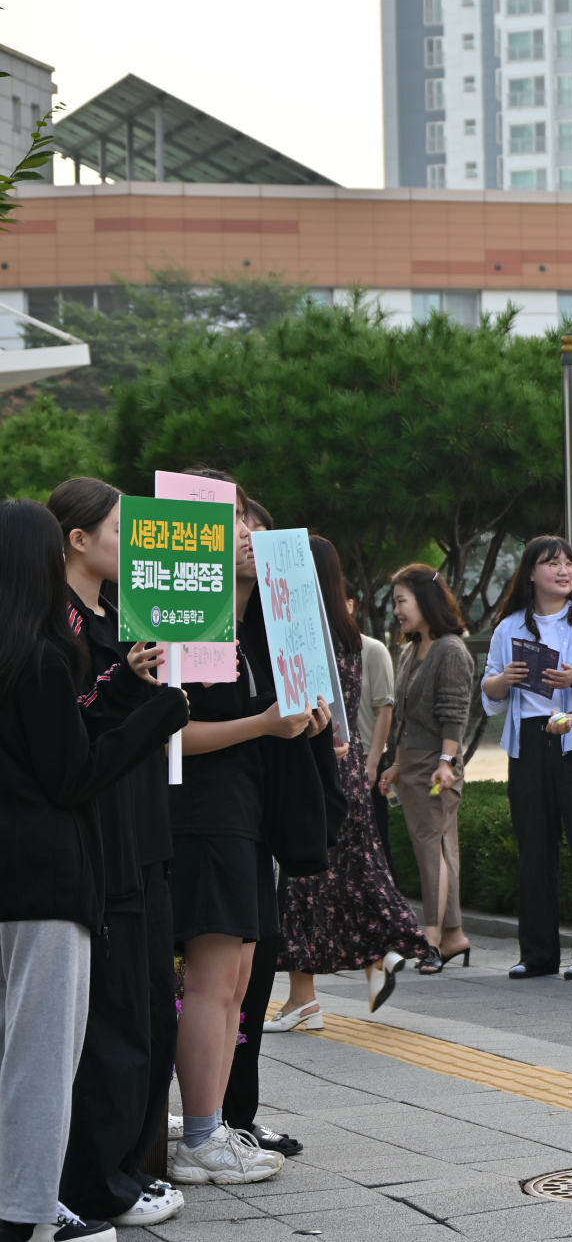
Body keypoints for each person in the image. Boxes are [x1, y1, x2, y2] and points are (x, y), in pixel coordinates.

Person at [0, 498, 187, 1242]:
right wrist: (158, 714)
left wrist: (124, 691)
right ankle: (31, 1213)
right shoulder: (41, 656)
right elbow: (74, 773)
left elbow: (62, 738)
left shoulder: (19, 653)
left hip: (11, 881)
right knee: (43, 1059)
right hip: (50, 886)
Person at [173, 488, 332, 1185]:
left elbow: (275, 715)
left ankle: (213, 1125)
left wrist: (299, 719)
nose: (247, 533)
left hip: (245, 815)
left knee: (237, 981)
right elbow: (174, 734)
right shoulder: (195, 624)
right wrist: (266, 723)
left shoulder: (257, 626)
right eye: (231, 520)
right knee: (212, 981)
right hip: (204, 816)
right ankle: (202, 1133)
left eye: (248, 521)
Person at [272, 537, 426, 1025]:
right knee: (360, 870)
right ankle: (385, 951)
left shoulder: (296, 631)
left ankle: (303, 998)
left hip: (310, 762)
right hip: (347, 763)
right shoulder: (350, 636)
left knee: (304, 881)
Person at [481, 535, 572, 981]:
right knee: (534, 849)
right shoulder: (511, 626)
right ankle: (537, 954)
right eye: (552, 563)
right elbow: (490, 692)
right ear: (532, 573)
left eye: (569, 563)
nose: (564, 570)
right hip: (530, 744)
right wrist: (507, 678)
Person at [379, 565, 475, 973]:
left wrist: (446, 763)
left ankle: (432, 938)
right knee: (437, 848)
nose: (397, 609)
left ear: (425, 601)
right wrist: (397, 764)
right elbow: (405, 719)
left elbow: (454, 713)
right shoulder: (410, 649)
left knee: (432, 849)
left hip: (438, 766)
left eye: (402, 600)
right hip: (415, 764)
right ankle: (453, 936)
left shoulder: (450, 649)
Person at [351, 587, 400, 873]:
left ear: (350, 605)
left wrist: (371, 765)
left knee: (376, 844)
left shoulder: (372, 649)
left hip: (366, 761)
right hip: (330, 760)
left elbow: (385, 709)